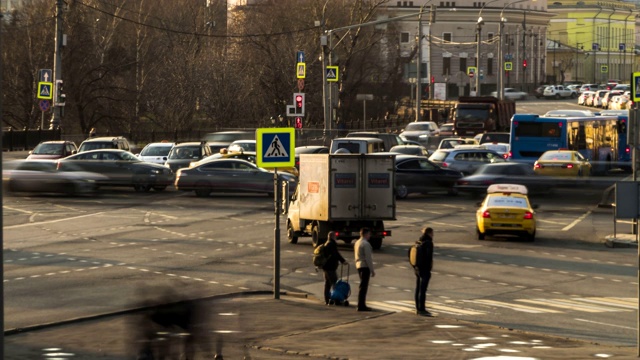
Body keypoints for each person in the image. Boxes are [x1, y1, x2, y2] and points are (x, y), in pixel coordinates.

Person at [412, 227, 435, 317]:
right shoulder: (428, 243)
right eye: (432, 233)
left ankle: (418, 308)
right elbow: (429, 257)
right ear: (429, 233)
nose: (433, 235)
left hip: (417, 268)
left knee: (418, 288)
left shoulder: (419, 242)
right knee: (423, 290)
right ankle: (422, 309)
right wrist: (429, 268)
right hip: (425, 269)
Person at [322, 232, 347, 305]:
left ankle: (327, 299)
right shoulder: (331, 244)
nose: (336, 237)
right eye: (335, 236)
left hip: (326, 267)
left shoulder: (327, 243)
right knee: (334, 283)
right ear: (333, 236)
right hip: (330, 267)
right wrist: (343, 261)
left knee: (327, 284)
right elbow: (336, 254)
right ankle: (336, 299)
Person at [354, 227, 375, 312]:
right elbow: (368, 258)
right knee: (363, 287)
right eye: (369, 234)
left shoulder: (357, 242)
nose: (370, 236)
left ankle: (361, 304)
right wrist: (372, 270)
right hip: (365, 266)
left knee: (362, 286)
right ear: (366, 234)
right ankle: (361, 305)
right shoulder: (365, 244)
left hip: (358, 265)